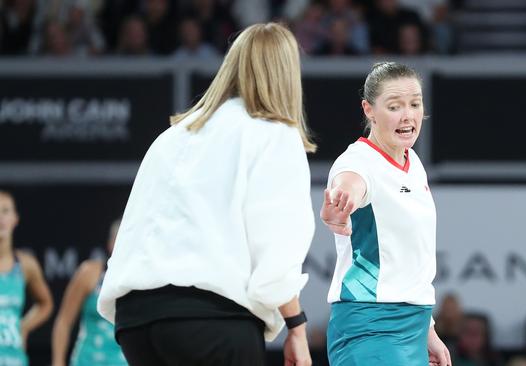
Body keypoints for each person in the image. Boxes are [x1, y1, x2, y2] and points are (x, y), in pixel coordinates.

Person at [97, 22, 316, 366]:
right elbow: (274, 254)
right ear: (288, 74)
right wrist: (296, 327)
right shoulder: (274, 134)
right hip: (211, 318)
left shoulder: (174, 133)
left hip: (135, 322)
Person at [320, 62, 451, 366]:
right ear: (369, 109)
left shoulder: (412, 161)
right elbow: (349, 184)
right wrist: (342, 205)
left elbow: (408, 259)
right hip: (370, 325)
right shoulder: (357, 162)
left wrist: (427, 330)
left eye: (415, 104)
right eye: (394, 106)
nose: (408, 115)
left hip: (413, 325)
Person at [51, 220, 127, 366]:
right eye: (119, 241)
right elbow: (64, 321)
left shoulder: (143, 282)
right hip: (88, 360)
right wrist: (57, 362)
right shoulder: (90, 272)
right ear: (110, 244)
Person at [0, 190, 54, 366]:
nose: (0, 218)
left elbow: (45, 303)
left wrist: (24, 326)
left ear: (15, 218)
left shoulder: (26, 265)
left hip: (14, 358)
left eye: (5, 211)